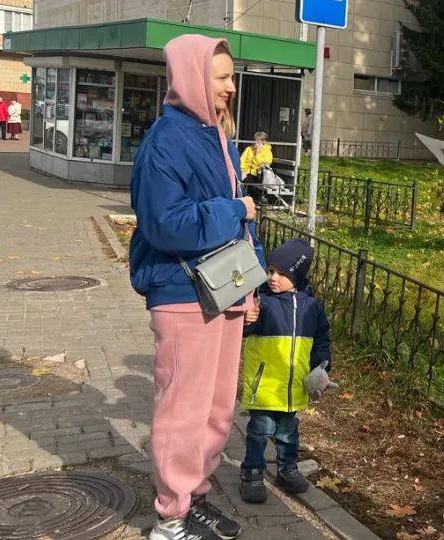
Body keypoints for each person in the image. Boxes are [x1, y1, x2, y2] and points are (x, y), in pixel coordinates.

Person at [129, 34, 265, 540]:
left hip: (223, 290)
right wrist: (237, 209)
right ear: (191, 78)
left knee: (215, 409)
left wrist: (250, 286)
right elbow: (166, 223)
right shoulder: (167, 140)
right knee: (181, 411)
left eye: (231, 76)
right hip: (183, 293)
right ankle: (170, 517)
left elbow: (236, 227)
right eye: (222, 77)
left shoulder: (216, 136)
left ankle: (194, 498)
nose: (232, 86)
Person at [239, 238, 335, 503]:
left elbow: (322, 339)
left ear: (298, 275)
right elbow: (245, 330)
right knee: (260, 430)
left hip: (293, 387)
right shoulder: (263, 304)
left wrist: (321, 368)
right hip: (265, 384)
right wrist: (247, 320)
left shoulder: (312, 308)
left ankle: (287, 468)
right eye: (270, 271)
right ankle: (253, 473)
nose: (273, 278)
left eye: (282, 273)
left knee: (288, 430)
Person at [240, 131, 273, 203]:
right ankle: (248, 199)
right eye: (255, 140)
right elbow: (242, 160)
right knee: (244, 179)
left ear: (264, 142)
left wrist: (257, 153)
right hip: (247, 172)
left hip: (259, 174)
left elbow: (264, 164)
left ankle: (252, 200)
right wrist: (242, 171)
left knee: (249, 182)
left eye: (258, 141)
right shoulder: (249, 149)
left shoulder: (267, 152)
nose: (255, 142)